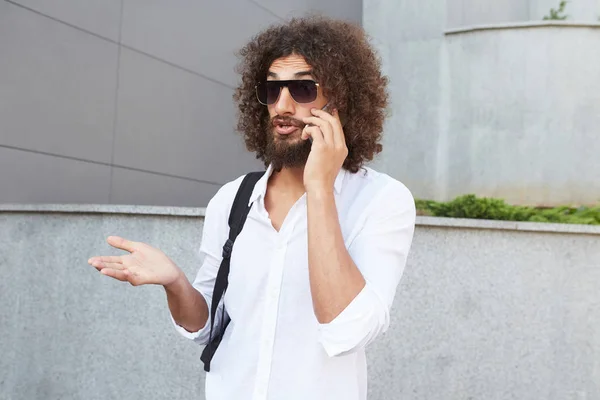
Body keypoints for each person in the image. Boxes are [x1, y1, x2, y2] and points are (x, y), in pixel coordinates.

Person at [88, 15, 416, 400]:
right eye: (272, 90)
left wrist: (319, 188)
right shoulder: (233, 200)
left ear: (340, 102)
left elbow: (347, 330)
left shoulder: (382, 201)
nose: (282, 105)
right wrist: (175, 282)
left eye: (303, 88)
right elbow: (206, 327)